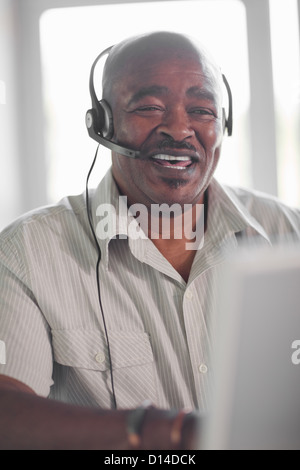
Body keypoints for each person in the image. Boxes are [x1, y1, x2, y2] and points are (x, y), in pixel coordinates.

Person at [0, 31, 299, 450]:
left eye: (201, 109)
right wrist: (174, 436)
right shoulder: (26, 252)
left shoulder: (291, 235)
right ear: (102, 124)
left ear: (223, 124)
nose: (179, 129)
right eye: (149, 107)